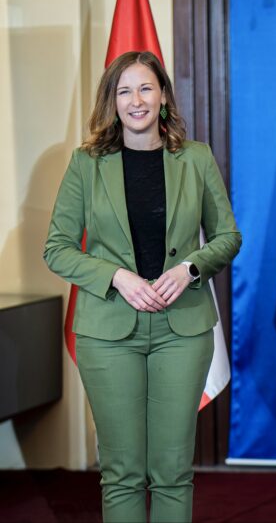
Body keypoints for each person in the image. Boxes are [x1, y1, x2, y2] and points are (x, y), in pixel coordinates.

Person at [44, 51, 241, 523]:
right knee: (122, 473)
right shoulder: (86, 163)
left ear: (164, 97)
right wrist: (116, 276)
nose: (136, 100)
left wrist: (190, 269)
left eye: (146, 88)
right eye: (124, 90)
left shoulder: (195, 158)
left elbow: (227, 237)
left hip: (183, 330)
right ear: (112, 102)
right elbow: (57, 248)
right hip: (108, 333)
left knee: (172, 472)